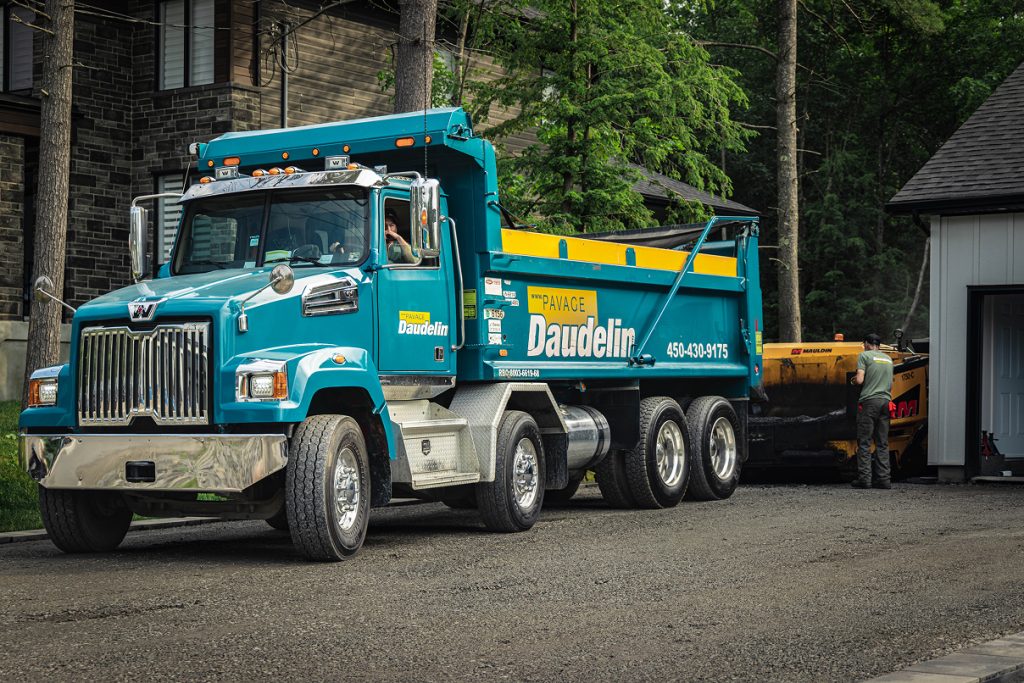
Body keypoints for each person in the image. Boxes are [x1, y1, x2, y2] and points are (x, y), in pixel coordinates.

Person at [851, 332, 894, 489]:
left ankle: (865, 480)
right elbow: (890, 383)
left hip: (869, 402)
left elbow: (860, 379)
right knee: (882, 443)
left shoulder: (865, 356)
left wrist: (854, 380)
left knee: (865, 441)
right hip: (886, 402)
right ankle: (884, 480)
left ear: (867, 344)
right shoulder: (888, 359)